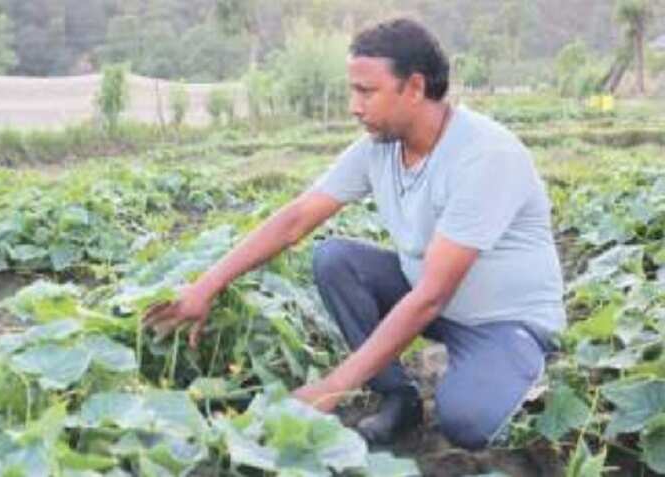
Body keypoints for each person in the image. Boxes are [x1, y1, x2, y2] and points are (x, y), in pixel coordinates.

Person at [144, 17, 566, 450]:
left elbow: (431, 297)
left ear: (415, 87)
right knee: (336, 260)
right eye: (352, 90)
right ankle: (399, 398)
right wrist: (206, 286)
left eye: (366, 91)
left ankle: (516, 364)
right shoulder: (381, 147)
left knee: (467, 421)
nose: (354, 105)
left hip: (499, 320)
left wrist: (331, 387)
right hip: (435, 299)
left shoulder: (484, 156)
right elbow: (296, 220)